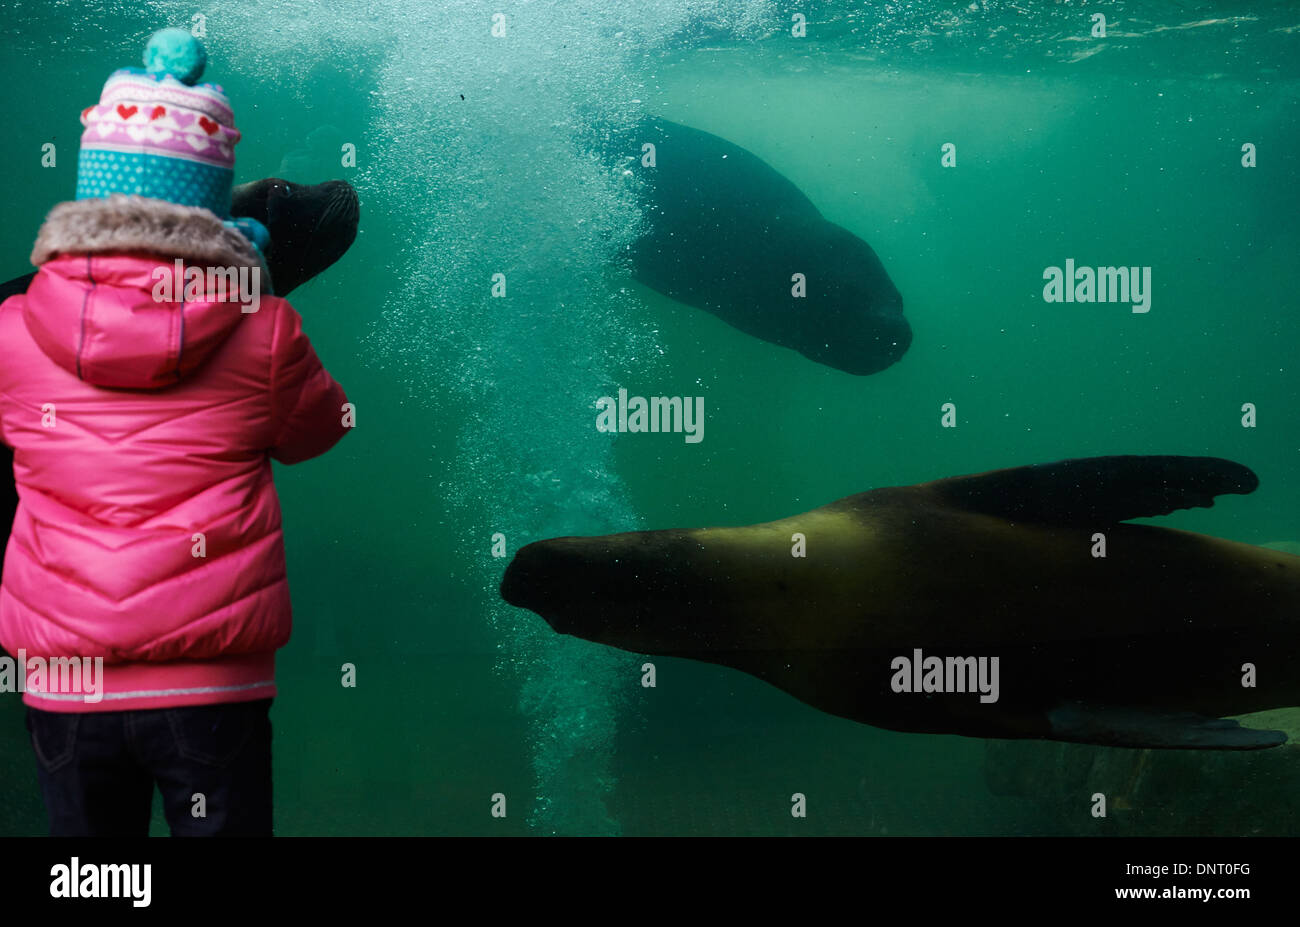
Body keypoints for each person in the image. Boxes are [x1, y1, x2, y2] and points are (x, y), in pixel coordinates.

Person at [0, 28, 350, 836]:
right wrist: (254, 295)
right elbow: (321, 427)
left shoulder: (18, 326)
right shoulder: (262, 331)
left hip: (66, 678)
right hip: (210, 683)